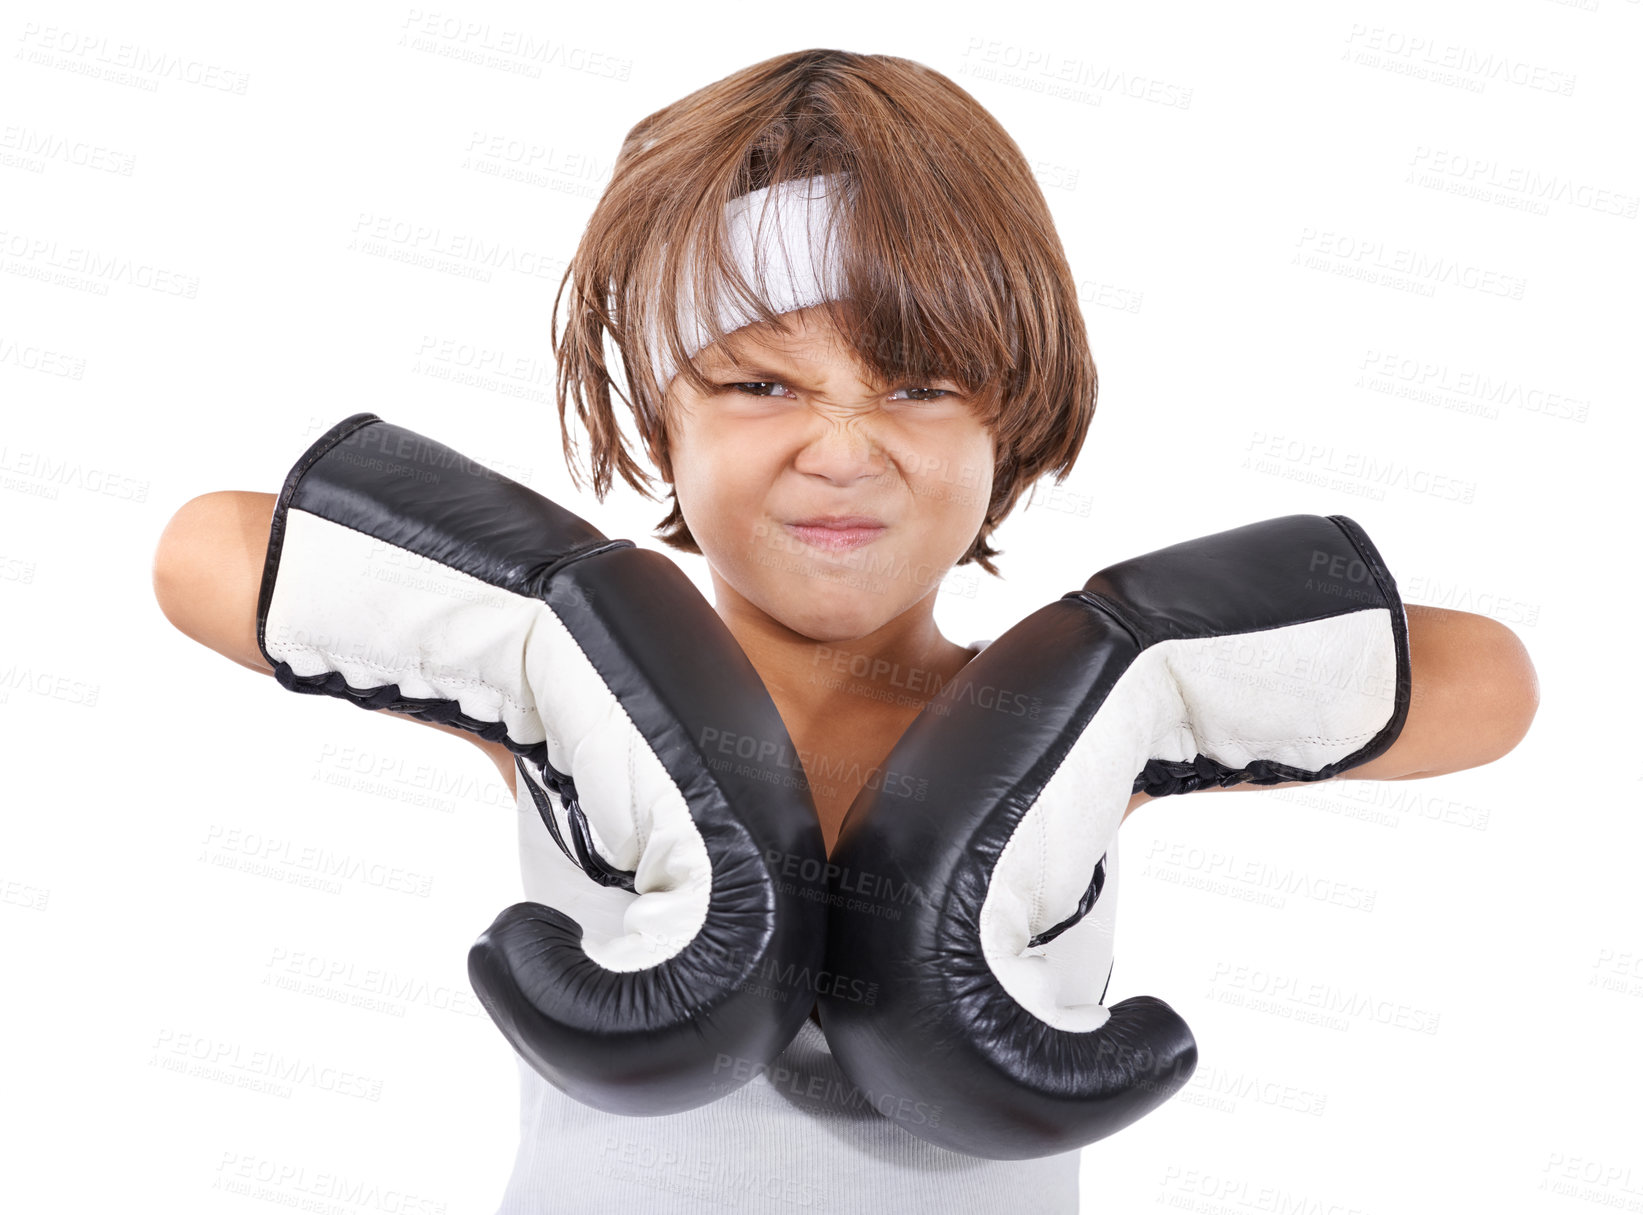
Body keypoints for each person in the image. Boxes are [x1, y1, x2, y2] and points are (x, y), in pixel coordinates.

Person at [153, 47, 1539, 1215]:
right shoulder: (570, 702)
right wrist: (562, 606)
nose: (841, 450)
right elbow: (202, 549)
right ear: (661, 419)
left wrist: (1132, 661)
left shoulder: (1056, 731)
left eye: (920, 385)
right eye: (759, 383)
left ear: (1015, 418)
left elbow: (1492, 681)